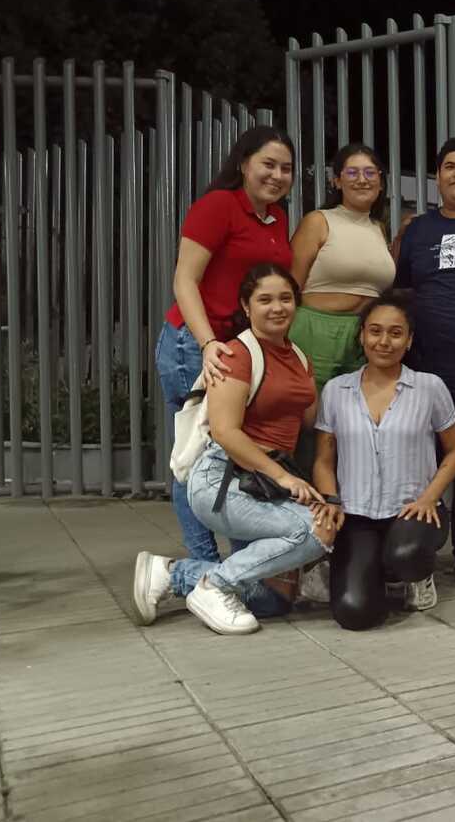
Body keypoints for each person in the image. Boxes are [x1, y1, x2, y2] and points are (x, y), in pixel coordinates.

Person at [136, 265, 333, 635]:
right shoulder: (235, 354)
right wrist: (284, 477)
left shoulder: (300, 358)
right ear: (246, 306)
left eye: (286, 299)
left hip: (262, 481)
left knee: (274, 597)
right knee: (313, 532)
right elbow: (226, 432)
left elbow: (311, 422)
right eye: (265, 300)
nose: (277, 307)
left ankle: (172, 574)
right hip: (224, 477)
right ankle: (215, 586)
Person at [152, 126, 296, 617]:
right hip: (197, 346)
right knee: (193, 455)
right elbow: (184, 278)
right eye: (268, 164)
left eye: (286, 168)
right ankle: (203, 566)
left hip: (241, 349)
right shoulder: (218, 206)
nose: (277, 175)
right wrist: (207, 342)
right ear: (244, 163)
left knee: (232, 454)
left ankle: (224, 573)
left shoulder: (276, 217)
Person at [311, 294, 455, 630]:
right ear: (362, 335)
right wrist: (332, 499)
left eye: (395, 333)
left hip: (415, 511)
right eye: (375, 332)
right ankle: (369, 573)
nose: (384, 341)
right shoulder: (336, 391)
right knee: (355, 613)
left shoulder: (429, 387)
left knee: (405, 556)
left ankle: (416, 577)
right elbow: (324, 459)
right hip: (358, 514)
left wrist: (430, 497)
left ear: (409, 340)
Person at [395, 136, 455, 585]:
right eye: (449, 166)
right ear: (437, 178)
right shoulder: (417, 230)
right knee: (419, 465)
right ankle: (415, 556)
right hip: (424, 372)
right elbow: (400, 293)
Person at [289, 143, 396, 390]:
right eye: (352, 173)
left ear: (381, 182)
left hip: (363, 337)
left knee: (350, 421)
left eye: (370, 173)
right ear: (337, 181)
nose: (362, 180)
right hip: (315, 332)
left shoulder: (379, 229)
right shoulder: (318, 221)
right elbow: (291, 286)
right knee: (307, 418)